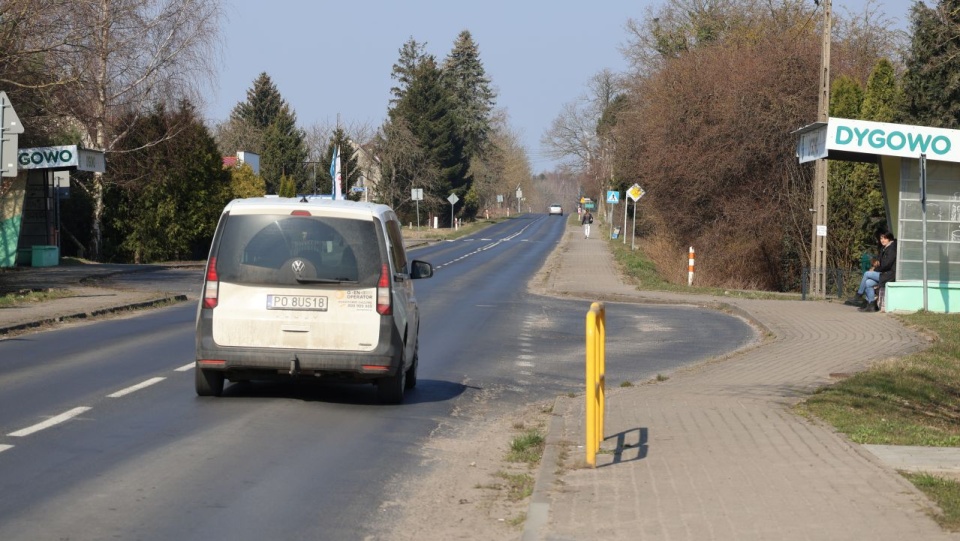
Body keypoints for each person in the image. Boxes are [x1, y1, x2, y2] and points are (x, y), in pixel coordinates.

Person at [853, 231, 897, 312]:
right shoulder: (885, 248)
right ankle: (872, 306)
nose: (882, 240)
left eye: (885, 238)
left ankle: (859, 294)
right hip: (884, 273)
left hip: (889, 275)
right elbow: (880, 262)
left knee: (867, 274)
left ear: (889, 239)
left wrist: (875, 269)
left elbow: (886, 265)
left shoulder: (892, 249)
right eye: (881, 238)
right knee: (868, 283)